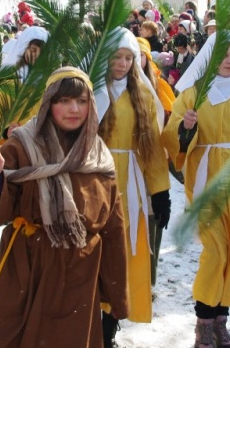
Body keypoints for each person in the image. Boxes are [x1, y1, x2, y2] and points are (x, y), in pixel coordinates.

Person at [0, 67, 129, 347]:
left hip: (79, 275)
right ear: (48, 104)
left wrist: (116, 295)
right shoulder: (21, 146)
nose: (74, 109)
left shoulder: (99, 155)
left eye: (81, 101)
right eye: (63, 101)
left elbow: (113, 226)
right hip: (28, 265)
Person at [163, 30, 230, 347]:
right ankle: (203, 321)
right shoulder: (194, 93)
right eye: (223, 55)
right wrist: (185, 127)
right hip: (205, 175)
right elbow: (171, 138)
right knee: (216, 249)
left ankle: (221, 320)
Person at [95, 29, 171, 345]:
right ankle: (88, 317)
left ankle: (110, 323)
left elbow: (151, 149)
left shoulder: (140, 95)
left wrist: (160, 191)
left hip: (129, 184)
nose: (124, 63)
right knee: (93, 251)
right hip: (95, 181)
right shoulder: (92, 90)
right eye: (117, 56)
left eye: (129, 57)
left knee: (121, 254)